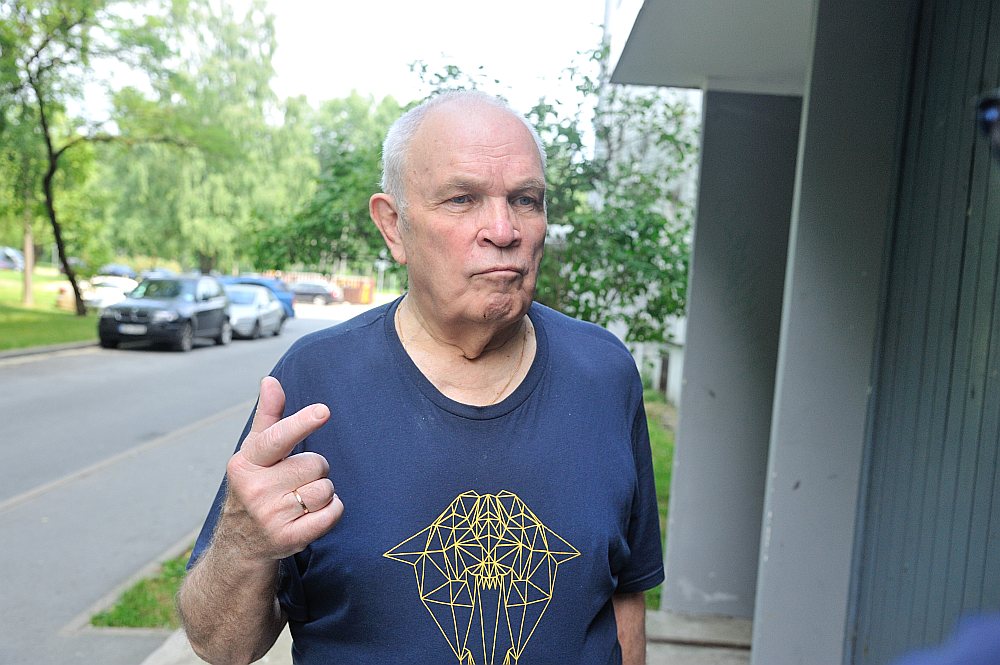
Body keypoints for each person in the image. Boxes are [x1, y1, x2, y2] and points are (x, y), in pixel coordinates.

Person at [177, 90, 663, 665]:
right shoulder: (314, 383)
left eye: (525, 200)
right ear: (394, 226)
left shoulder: (604, 374)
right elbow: (221, 646)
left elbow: (624, 596)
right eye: (462, 199)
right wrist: (244, 542)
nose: (503, 229)